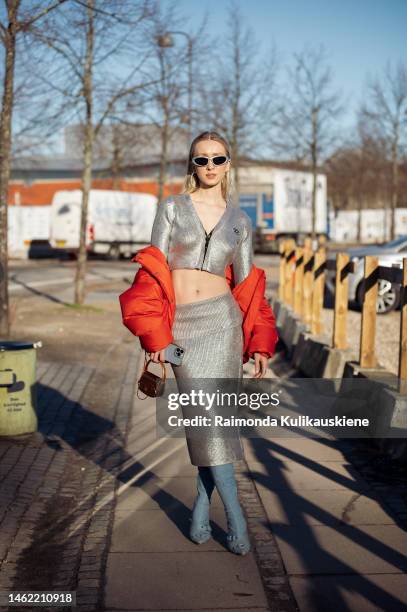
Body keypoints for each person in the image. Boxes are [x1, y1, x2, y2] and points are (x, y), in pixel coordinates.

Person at [119, 130, 278, 556]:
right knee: (204, 419)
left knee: (214, 423)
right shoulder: (171, 208)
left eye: (217, 159)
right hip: (183, 329)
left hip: (223, 326)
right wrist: (155, 336)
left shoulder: (240, 222)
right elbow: (153, 271)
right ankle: (239, 516)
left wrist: (260, 343)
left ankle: (201, 509)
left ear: (229, 164)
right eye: (200, 160)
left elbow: (249, 290)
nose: (209, 167)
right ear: (191, 165)